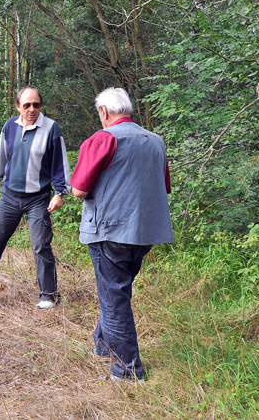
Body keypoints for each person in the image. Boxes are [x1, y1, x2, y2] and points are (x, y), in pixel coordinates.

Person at [70, 87, 174, 382]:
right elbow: (163, 186)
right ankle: (103, 345)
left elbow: (79, 189)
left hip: (110, 230)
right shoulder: (156, 141)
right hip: (146, 232)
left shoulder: (102, 139)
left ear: (104, 112)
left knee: (114, 298)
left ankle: (128, 369)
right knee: (117, 292)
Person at [0, 87, 71, 309]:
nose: (31, 109)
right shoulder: (9, 127)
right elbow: (2, 157)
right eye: (26, 105)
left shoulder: (51, 128)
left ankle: (48, 295)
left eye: (36, 105)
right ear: (18, 106)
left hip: (39, 198)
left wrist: (60, 193)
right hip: (9, 195)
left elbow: (60, 164)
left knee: (41, 245)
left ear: (40, 106)